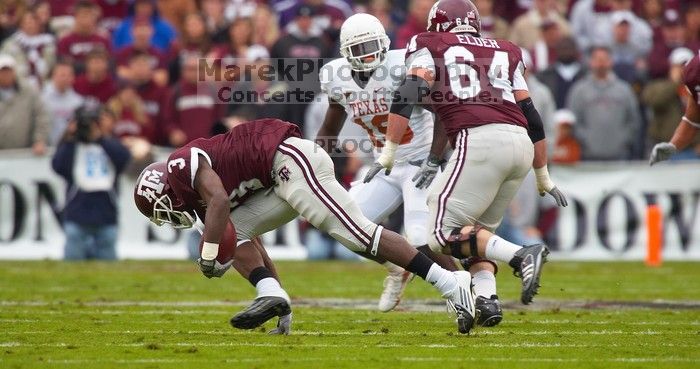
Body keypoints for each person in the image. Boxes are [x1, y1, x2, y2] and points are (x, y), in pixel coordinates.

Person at [133, 118, 477, 334]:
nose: (168, 216)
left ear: (164, 190)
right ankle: (270, 294)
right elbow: (245, 236)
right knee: (235, 231)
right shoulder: (198, 195)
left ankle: (451, 282)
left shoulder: (180, 164)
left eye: (162, 208)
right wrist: (280, 299)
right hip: (276, 180)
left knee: (359, 237)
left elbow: (220, 202)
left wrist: (208, 256)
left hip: (289, 160)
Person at [368, 0, 568, 326]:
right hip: (520, 146)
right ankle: (487, 301)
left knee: (440, 234)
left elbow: (408, 90)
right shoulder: (506, 49)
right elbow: (532, 116)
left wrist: (388, 150)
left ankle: (521, 255)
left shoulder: (427, 43)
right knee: (475, 235)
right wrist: (543, 175)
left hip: (479, 140)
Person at [316, 13, 457, 313]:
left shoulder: (401, 67)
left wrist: (434, 159)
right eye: (358, 49)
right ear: (345, 53)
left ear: (384, 43)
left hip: (419, 163)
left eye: (371, 45)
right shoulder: (336, 78)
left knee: (420, 238)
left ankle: (459, 287)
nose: (366, 55)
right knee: (346, 226)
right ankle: (397, 267)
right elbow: (329, 129)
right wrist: (312, 167)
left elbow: (443, 113)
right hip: (385, 166)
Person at [52, 104, 131, 260]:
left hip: (106, 211)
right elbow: (58, 165)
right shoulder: (72, 146)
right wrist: (70, 136)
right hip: (77, 211)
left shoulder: (109, 143)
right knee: (73, 262)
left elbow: (124, 159)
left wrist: (100, 137)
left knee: (107, 263)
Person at [566, 46, 641, 161]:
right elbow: (572, 121)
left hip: (619, 156)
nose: (601, 64)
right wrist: (586, 140)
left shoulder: (624, 90)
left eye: (604, 59)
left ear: (611, 62)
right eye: (597, 60)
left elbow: (633, 120)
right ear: (590, 62)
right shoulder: (579, 90)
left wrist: (623, 140)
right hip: (587, 157)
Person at [649, 50, 700, 165]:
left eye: (685, 65)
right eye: (679, 66)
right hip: (678, 148)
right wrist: (673, 145)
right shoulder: (694, 74)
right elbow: (692, 120)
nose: (682, 69)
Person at [0, 54, 48, 155]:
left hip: (25, 153)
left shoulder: (29, 91)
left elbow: (41, 116)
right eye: (2, 71)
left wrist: (39, 140)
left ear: (14, 72)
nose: (5, 74)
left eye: (8, 71)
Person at [56, 0, 111, 70]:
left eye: (90, 15)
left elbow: (110, 63)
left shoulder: (103, 39)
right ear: (76, 16)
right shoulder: (65, 41)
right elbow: (64, 66)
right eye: (83, 15)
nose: (86, 19)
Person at [42, 61, 84, 146]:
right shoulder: (42, 99)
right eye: (62, 75)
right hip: (47, 148)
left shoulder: (78, 101)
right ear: (53, 76)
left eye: (69, 75)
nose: (65, 78)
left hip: (69, 147)